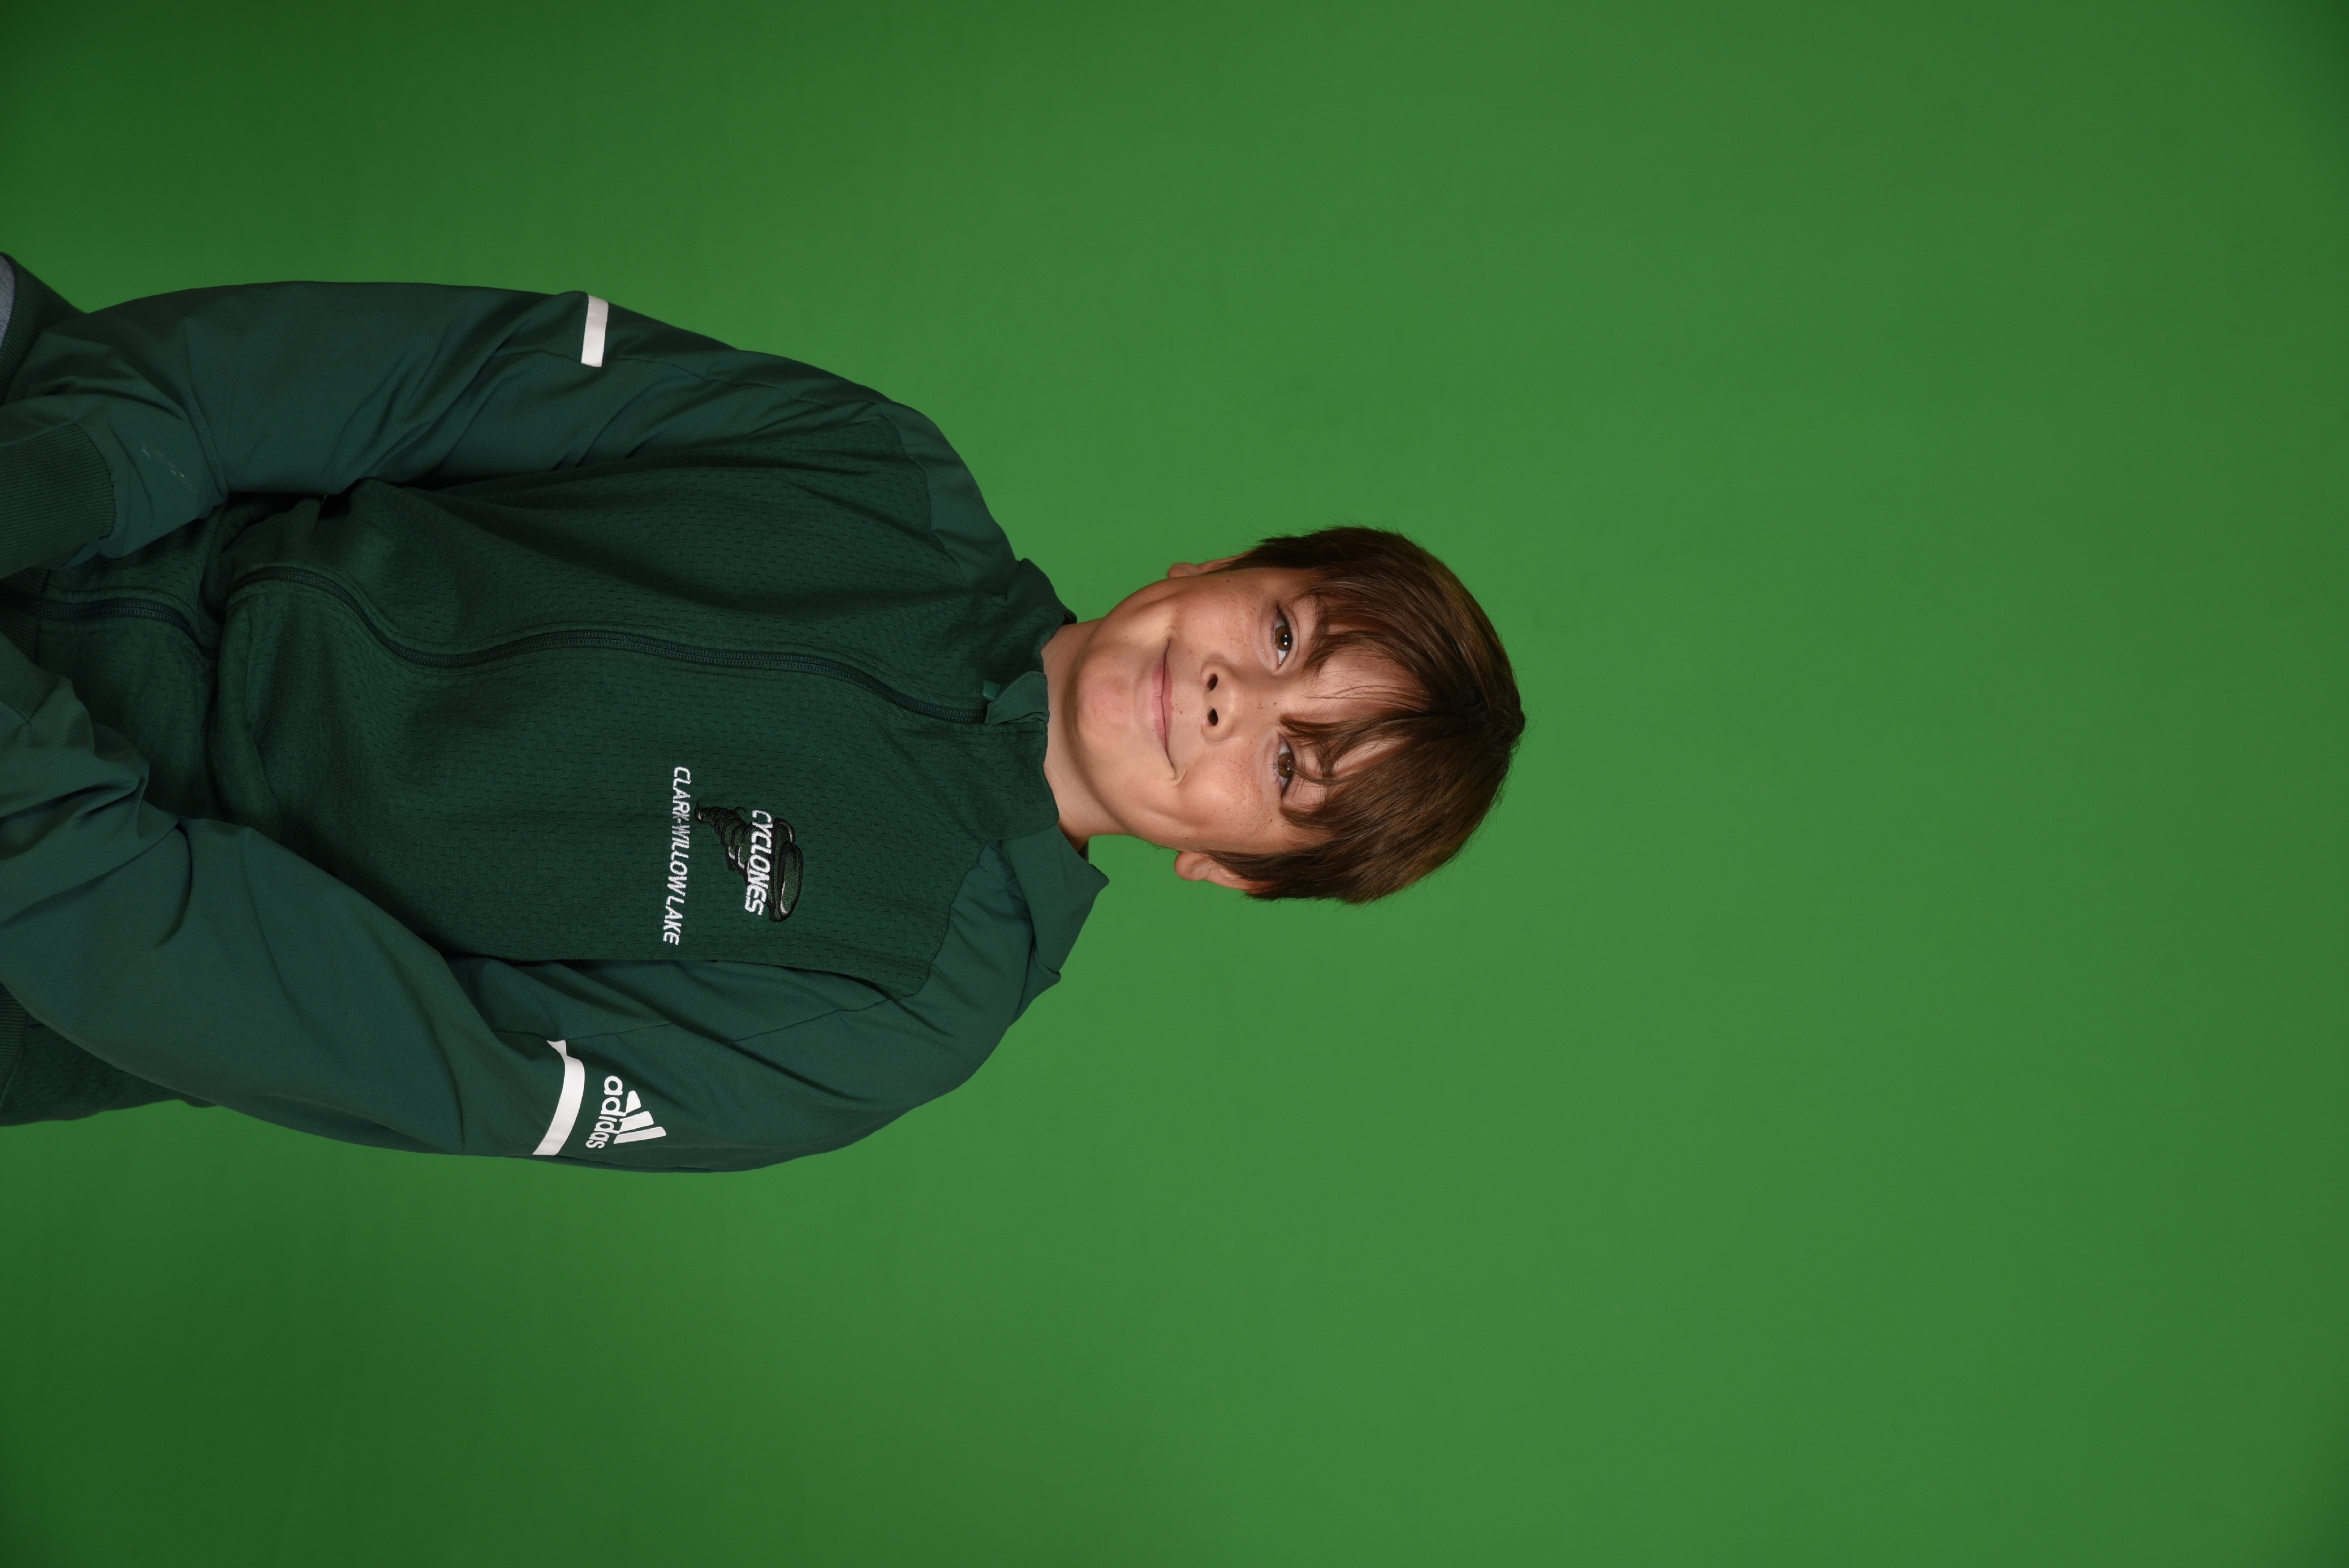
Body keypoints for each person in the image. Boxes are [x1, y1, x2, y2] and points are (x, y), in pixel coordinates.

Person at [0, 258, 1523, 1169]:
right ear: (1219, 568)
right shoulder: (874, 468)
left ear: (1232, 870)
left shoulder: (892, 1017)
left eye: (1290, 766)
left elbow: (399, 1046)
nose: (1234, 697)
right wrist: (55, 477)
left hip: (44, 909)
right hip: (69, 443)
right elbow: (434, 375)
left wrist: (28, 788)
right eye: (1281, 635)